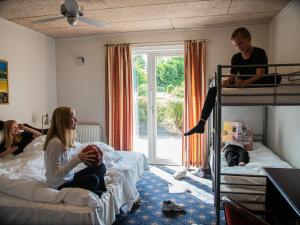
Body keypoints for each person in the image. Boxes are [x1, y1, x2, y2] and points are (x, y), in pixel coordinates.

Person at [184, 27, 280, 136]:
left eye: (241, 43)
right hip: (242, 81)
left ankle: (242, 82)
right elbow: (232, 75)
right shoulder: (236, 57)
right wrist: (226, 82)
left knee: (276, 77)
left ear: (249, 39)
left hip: (258, 81)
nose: (239, 47)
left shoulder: (259, 52)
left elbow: (260, 74)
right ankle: (201, 123)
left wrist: (245, 82)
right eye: (236, 45)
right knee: (213, 90)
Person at [43, 106, 107, 198]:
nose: (76, 119)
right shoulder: (55, 143)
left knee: (101, 167)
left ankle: (98, 191)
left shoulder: (64, 139)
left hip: (69, 178)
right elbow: (55, 175)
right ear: (63, 121)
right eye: (72, 117)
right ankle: (96, 192)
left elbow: (66, 161)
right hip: (59, 186)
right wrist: (78, 159)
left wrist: (85, 156)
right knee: (93, 180)